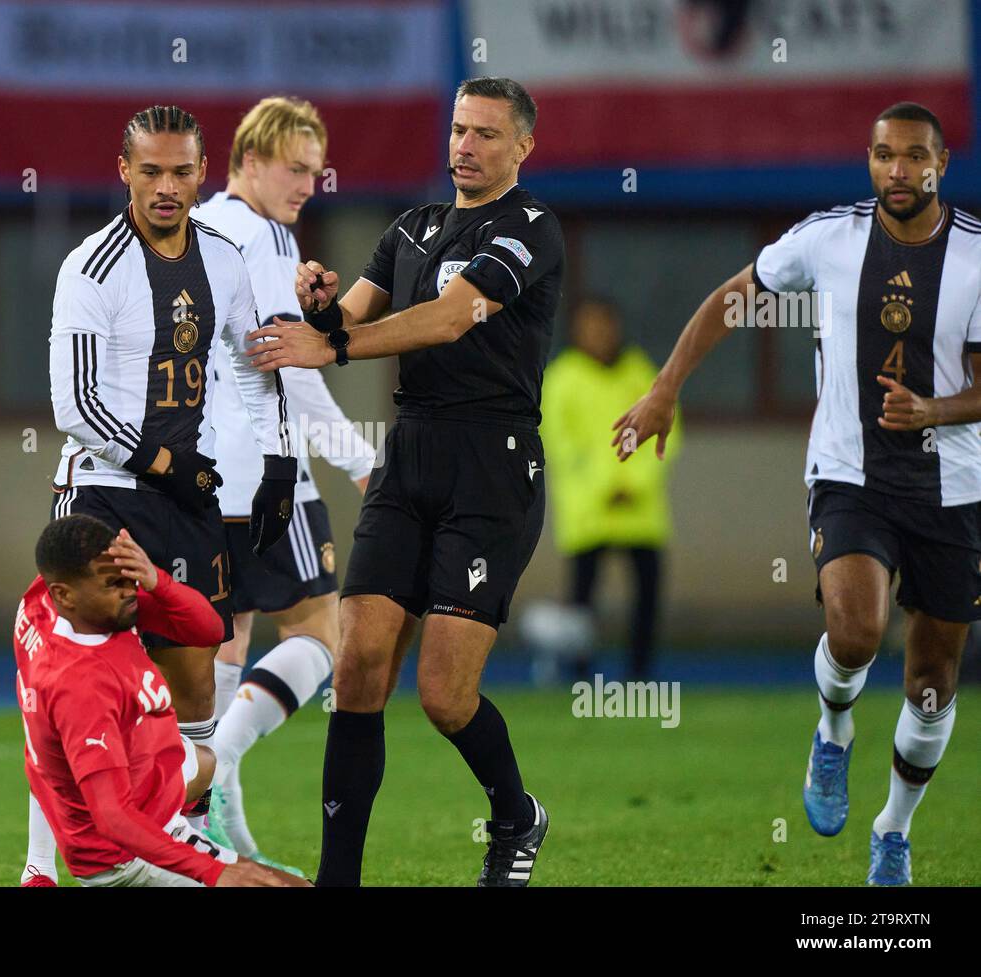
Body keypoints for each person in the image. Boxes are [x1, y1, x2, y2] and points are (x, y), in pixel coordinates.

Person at [613, 102, 981, 885]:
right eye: (883, 155)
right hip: (850, 473)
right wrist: (664, 389)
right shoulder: (830, 237)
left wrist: (934, 410)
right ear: (870, 159)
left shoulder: (979, 256)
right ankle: (833, 728)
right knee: (855, 630)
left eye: (914, 157)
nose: (897, 171)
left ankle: (893, 828)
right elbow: (733, 297)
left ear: (941, 164)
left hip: (954, 485)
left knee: (931, 680)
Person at [247, 78, 563, 886]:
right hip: (410, 450)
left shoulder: (530, 228)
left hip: (490, 465)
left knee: (444, 697)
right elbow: (347, 317)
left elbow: (455, 315)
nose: (466, 145)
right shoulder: (413, 227)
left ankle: (516, 813)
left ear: (523, 146)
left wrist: (336, 347)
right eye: (459, 129)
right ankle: (338, 881)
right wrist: (320, 312)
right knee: (357, 671)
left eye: (487, 134)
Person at [23, 104, 297, 884]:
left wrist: (278, 461)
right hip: (106, 495)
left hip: (186, 498)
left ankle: (187, 825)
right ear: (125, 172)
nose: (167, 187)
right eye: (151, 172)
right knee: (77, 691)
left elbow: (253, 360)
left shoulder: (223, 257)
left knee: (196, 668)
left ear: (203, 172)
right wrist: (161, 461)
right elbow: (73, 402)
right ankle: (41, 867)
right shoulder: (91, 267)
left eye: (181, 172)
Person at [194, 96, 375, 873]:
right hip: (268, 477)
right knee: (320, 636)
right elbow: (288, 363)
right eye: (295, 168)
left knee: (220, 647)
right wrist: (364, 461)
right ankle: (212, 772)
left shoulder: (200, 223)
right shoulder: (265, 236)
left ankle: (199, 809)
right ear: (250, 159)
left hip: (198, 477)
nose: (308, 183)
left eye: (315, 171)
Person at [15, 514, 306, 886]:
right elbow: (113, 817)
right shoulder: (81, 684)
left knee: (204, 763)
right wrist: (215, 871)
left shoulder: (50, 602)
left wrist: (157, 580)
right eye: (114, 584)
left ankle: (42, 867)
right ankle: (183, 849)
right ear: (65, 595)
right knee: (286, 885)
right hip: (124, 853)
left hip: (147, 771)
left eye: (129, 579)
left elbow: (209, 629)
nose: (129, 591)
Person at [540, 297, 680, 680]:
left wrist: (633, 483)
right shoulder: (561, 379)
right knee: (582, 599)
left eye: (604, 324)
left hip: (640, 509)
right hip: (589, 510)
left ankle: (640, 674)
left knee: (647, 596)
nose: (599, 333)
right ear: (576, 330)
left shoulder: (640, 374)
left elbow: (669, 431)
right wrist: (606, 485)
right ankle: (579, 676)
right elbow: (559, 442)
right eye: (590, 325)